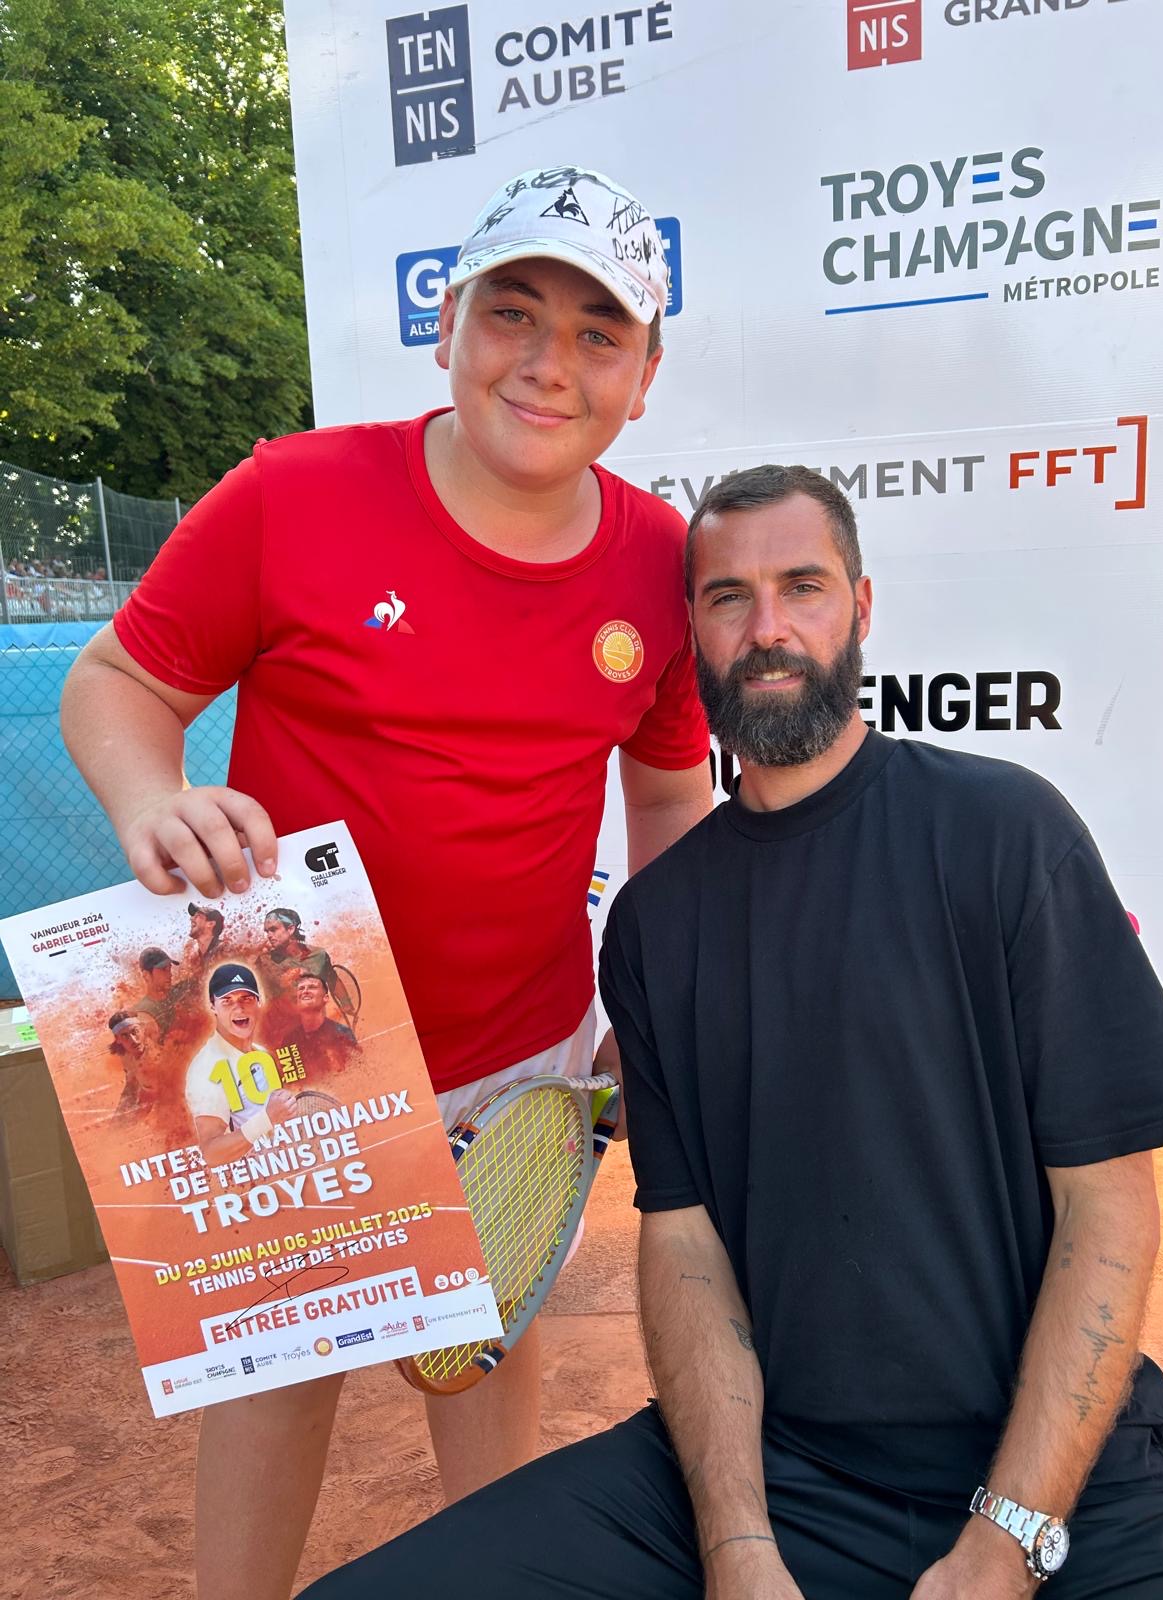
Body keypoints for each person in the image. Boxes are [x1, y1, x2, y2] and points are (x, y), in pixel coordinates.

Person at [298, 464, 1163, 1599]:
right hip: (784, 1472)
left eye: (802, 587)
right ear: (694, 633)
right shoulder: (656, 926)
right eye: (729, 597)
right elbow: (684, 1245)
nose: (767, 629)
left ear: (860, 609)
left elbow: (1110, 1208)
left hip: (1063, 1481)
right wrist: (737, 1546)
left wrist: (1005, 1539)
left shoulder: (1007, 832)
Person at [60, 163, 712, 1600]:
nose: (548, 363)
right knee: (280, 1381)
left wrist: (653, 997)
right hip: (287, 1053)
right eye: (513, 312)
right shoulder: (291, 494)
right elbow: (117, 683)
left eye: (598, 333)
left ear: (645, 377)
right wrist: (152, 796)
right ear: (447, 322)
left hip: (519, 1054)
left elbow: (669, 793)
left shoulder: (661, 564)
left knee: (481, 1362)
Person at [183, 963, 298, 1163]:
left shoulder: (261, 1054)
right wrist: (267, 1119)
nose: (239, 1008)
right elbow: (211, 1153)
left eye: (247, 998)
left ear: (259, 1002)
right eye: (227, 1001)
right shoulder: (206, 1068)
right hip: (259, 1177)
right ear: (213, 1006)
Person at [278, 971, 359, 1078]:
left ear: (325, 998)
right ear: (297, 1000)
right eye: (301, 988)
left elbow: (358, 1072)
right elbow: (290, 1080)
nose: (305, 991)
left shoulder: (342, 1033)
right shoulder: (288, 1040)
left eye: (312, 987)